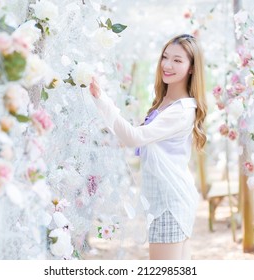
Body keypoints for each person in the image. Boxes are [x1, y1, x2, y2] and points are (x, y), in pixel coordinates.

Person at [89, 34, 207, 260]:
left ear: (192, 68)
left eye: (177, 60)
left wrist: (102, 100)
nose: (167, 65)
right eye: (165, 57)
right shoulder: (166, 103)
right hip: (165, 199)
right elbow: (134, 138)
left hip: (169, 204)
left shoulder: (180, 111)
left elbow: (135, 137)